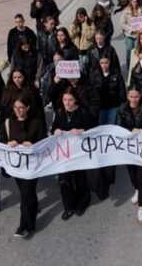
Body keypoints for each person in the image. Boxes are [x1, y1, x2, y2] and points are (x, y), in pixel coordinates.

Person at [0, 94, 47, 237]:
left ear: (27, 107)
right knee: (28, 194)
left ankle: (25, 226)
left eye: (21, 107)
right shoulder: (8, 123)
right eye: (15, 107)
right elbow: (1, 141)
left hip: (33, 166)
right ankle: (34, 207)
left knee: (25, 195)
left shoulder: (37, 123)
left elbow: (44, 142)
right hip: (17, 167)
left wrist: (33, 145)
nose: (18, 110)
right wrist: (7, 144)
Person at [52, 88, 95, 220]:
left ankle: (83, 202)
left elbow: (94, 127)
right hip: (65, 152)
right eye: (65, 99)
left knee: (79, 178)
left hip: (80, 152)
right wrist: (56, 130)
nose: (67, 102)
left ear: (75, 99)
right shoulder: (59, 112)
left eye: (70, 99)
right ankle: (68, 206)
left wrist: (82, 130)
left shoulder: (83, 111)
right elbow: (54, 127)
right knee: (64, 180)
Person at [116, 86, 142, 225]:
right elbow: (118, 128)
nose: (133, 99)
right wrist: (129, 130)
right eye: (131, 96)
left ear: (140, 97)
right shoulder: (122, 109)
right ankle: (137, 189)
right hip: (129, 150)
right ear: (127, 96)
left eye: (136, 97)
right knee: (134, 176)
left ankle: (141, 210)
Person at [91, 56, 127, 125]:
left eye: (106, 63)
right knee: (101, 126)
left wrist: (122, 106)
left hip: (113, 106)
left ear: (110, 62)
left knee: (111, 125)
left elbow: (122, 91)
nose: (104, 65)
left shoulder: (117, 74)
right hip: (100, 106)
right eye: (102, 63)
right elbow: (92, 91)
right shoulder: (95, 74)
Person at [120, 0, 142, 68]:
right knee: (129, 50)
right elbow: (122, 23)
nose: (135, 3)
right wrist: (131, 29)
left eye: (136, 1)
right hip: (129, 35)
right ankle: (129, 67)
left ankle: (136, 67)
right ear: (131, 1)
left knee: (136, 51)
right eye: (134, 1)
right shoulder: (126, 11)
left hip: (138, 35)